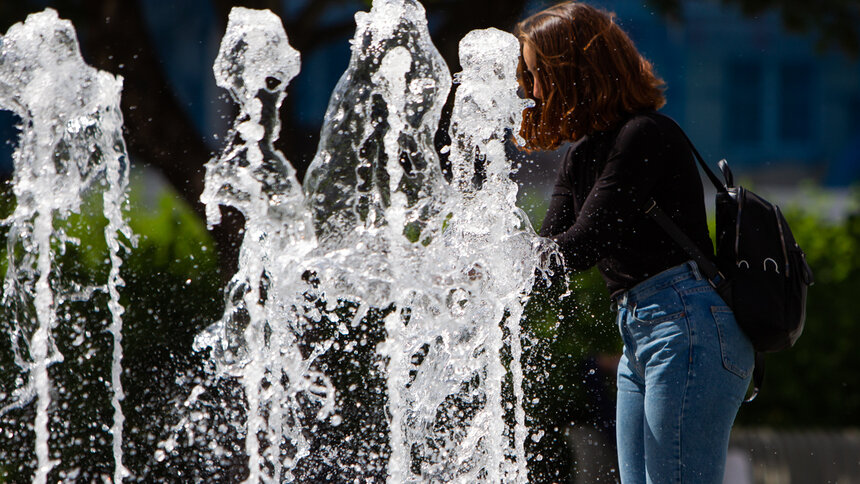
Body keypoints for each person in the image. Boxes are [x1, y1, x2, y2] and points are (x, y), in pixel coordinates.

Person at [515, 3, 755, 483]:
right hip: (641, 333)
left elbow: (581, 246)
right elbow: (548, 252)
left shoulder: (644, 137)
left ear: (574, 71)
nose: (532, 89)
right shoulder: (583, 153)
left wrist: (503, 260)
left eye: (539, 73)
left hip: (687, 326)